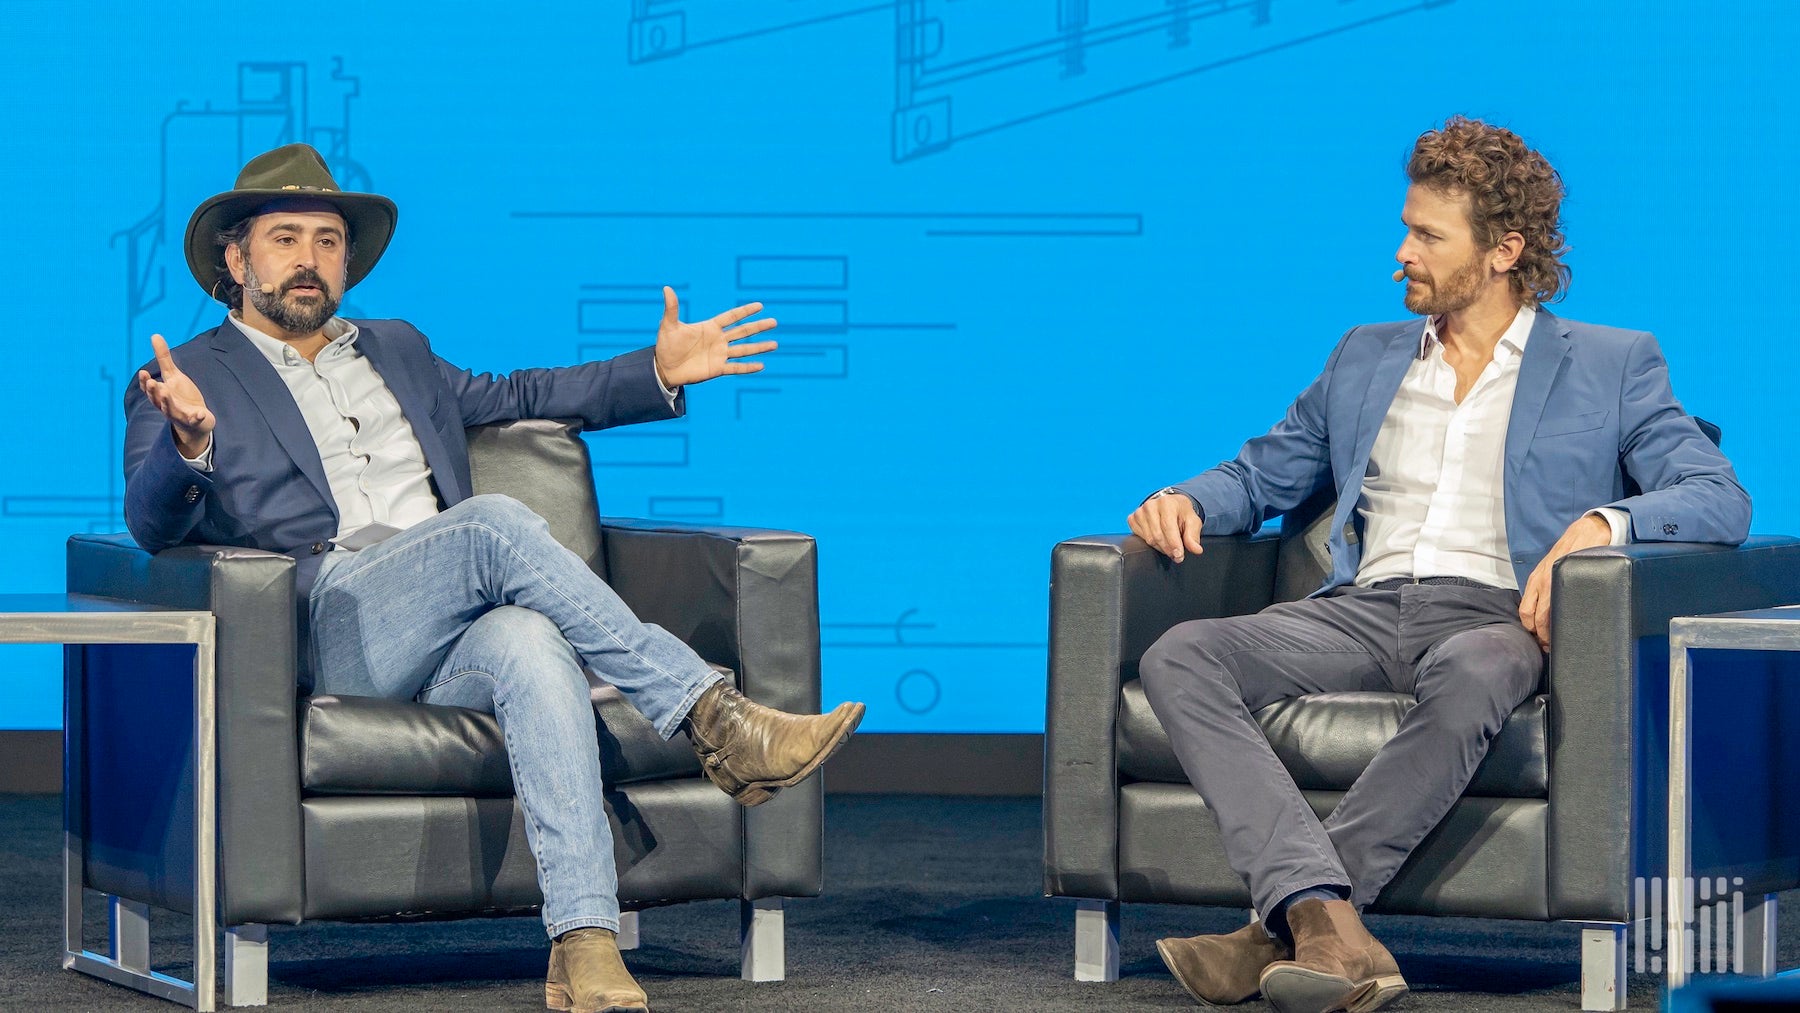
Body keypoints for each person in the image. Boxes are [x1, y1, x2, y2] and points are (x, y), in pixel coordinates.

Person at [124, 143, 865, 1013]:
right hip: (333, 619)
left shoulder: (396, 349)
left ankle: (583, 941)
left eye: (328, 241)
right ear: (235, 257)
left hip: (449, 626)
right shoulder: (192, 375)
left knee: (529, 639)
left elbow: (520, 392)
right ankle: (713, 714)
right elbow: (150, 525)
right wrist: (189, 445)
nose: (309, 260)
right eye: (284, 238)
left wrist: (655, 371)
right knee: (491, 524)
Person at [1126, 117, 1748, 1013]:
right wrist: (1184, 499)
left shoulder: (1612, 365)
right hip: (1362, 608)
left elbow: (1717, 495)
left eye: (1426, 236)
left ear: (1504, 250)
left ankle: (1281, 930)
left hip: (1494, 613)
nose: (1400, 253)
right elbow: (1264, 470)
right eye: (1406, 228)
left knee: (1486, 665)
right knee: (1181, 653)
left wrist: (1603, 525)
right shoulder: (1364, 355)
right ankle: (1324, 922)